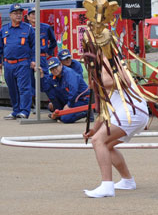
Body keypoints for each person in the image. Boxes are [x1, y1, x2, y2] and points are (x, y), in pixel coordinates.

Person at [83, 56, 149, 198]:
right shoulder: (99, 72)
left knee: (98, 141)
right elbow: (103, 112)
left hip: (132, 111)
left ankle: (107, 185)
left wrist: (98, 83)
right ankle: (127, 181)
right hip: (133, 113)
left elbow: (124, 80)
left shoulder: (110, 60)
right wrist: (94, 129)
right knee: (106, 144)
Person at [1, 3, 36, 119]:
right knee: (12, 88)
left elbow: (34, 46)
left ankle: (24, 111)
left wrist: (34, 60)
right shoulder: (4, 29)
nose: (18, 15)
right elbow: (1, 48)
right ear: (10, 15)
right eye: (15, 13)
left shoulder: (28, 28)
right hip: (8, 64)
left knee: (24, 88)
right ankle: (15, 111)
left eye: (20, 13)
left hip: (23, 63)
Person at [43, 57, 89, 124]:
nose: (54, 70)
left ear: (61, 65)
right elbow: (46, 88)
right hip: (68, 99)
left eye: (56, 67)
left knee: (65, 118)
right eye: (52, 69)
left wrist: (69, 105)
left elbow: (74, 91)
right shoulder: (53, 77)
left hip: (81, 100)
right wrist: (41, 76)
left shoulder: (69, 73)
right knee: (51, 107)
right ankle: (61, 113)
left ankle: (86, 112)